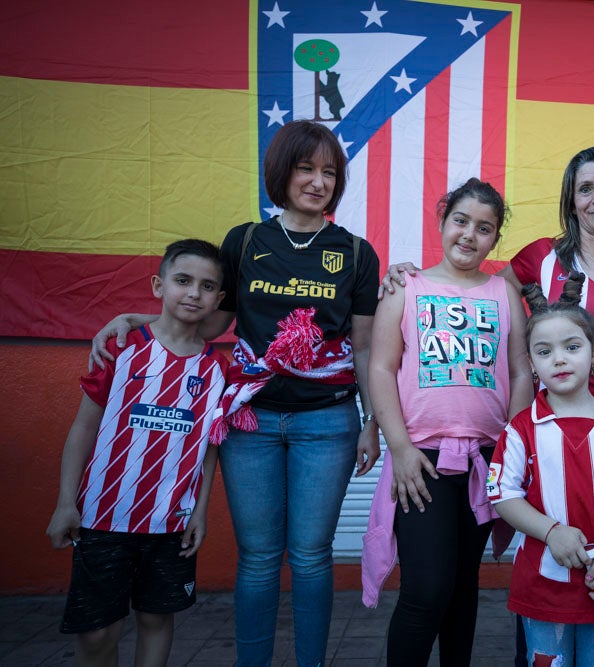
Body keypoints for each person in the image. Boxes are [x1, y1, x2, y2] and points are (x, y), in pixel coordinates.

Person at [89, 120, 381, 666]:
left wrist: (372, 421)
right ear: (282, 172)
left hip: (328, 423)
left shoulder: (357, 253)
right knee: (260, 558)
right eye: (305, 168)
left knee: (313, 558)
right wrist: (136, 317)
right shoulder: (245, 240)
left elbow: (363, 347)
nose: (318, 182)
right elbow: (210, 320)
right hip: (250, 423)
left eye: (329, 173)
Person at [362, 178, 533, 666]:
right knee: (427, 588)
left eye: (484, 228)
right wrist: (399, 448)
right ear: (441, 222)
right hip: (423, 459)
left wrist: (512, 449)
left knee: (462, 587)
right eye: (460, 220)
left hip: (485, 459)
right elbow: (381, 368)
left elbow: (521, 370)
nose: (469, 235)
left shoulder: (504, 291)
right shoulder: (406, 287)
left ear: (494, 239)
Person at [383, 145, 594, 434]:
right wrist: (417, 278)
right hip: (545, 421)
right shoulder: (542, 255)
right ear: (571, 202)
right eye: (585, 189)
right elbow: (475, 289)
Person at [47, 239, 228, 667]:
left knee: (155, 620)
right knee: (97, 633)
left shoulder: (218, 369)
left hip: (170, 522)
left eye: (206, 287)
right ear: (158, 285)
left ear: (218, 299)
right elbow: (83, 428)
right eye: (182, 281)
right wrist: (64, 503)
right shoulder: (120, 349)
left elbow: (209, 448)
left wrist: (200, 512)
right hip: (102, 517)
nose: (192, 293)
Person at [487, 273, 594, 666]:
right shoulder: (521, 429)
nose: (559, 359)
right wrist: (552, 533)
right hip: (544, 584)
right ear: (531, 363)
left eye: (572, 346)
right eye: (544, 352)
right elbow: (503, 494)